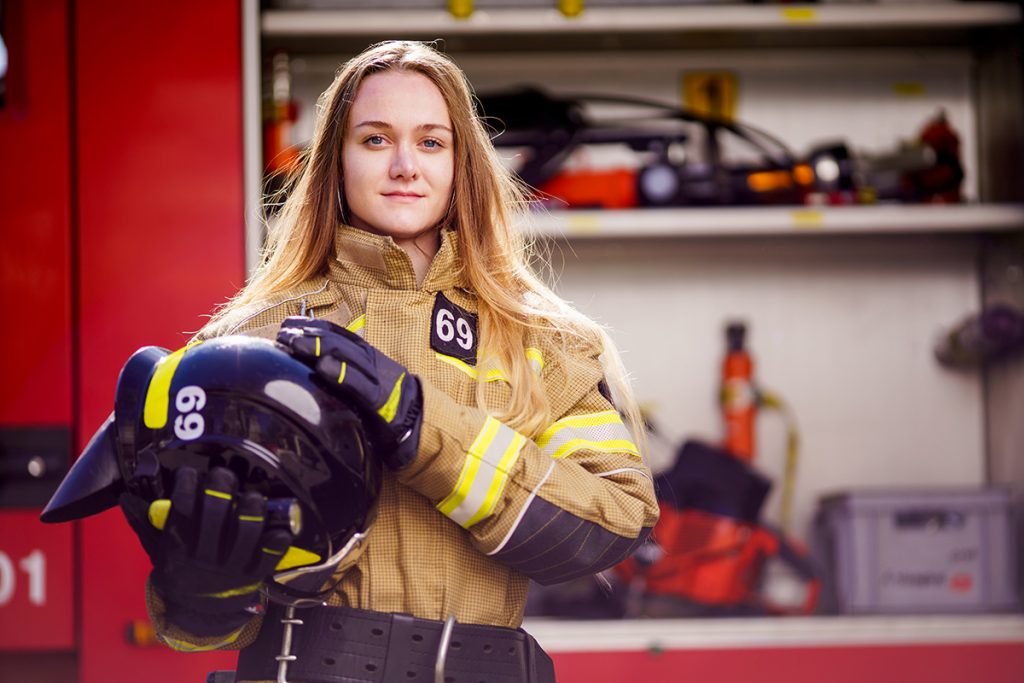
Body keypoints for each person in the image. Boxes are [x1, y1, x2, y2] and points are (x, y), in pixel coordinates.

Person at [133, 40, 659, 682]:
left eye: (431, 142)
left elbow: (614, 522)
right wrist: (202, 588)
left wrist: (420, 422)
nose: (405, 165)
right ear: (336, 164)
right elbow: (207, 628)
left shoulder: (537, 343)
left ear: (462, 164)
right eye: (376, 140)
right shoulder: (250, 343)